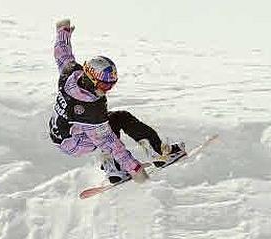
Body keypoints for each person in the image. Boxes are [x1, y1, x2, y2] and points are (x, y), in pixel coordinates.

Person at [49, 19, 186, 184]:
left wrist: (62, 32)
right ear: (91, 78)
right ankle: (152, 156)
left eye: (111, 85)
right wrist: (135, 170)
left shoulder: (71, 74)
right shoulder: (90, 109)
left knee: (114, 121)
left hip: (62, 130)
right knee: (115, 124)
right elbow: (110, 142)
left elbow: (62, 54)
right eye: (104, 85)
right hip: (73, 142)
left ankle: (118, 166)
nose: (106, 90)